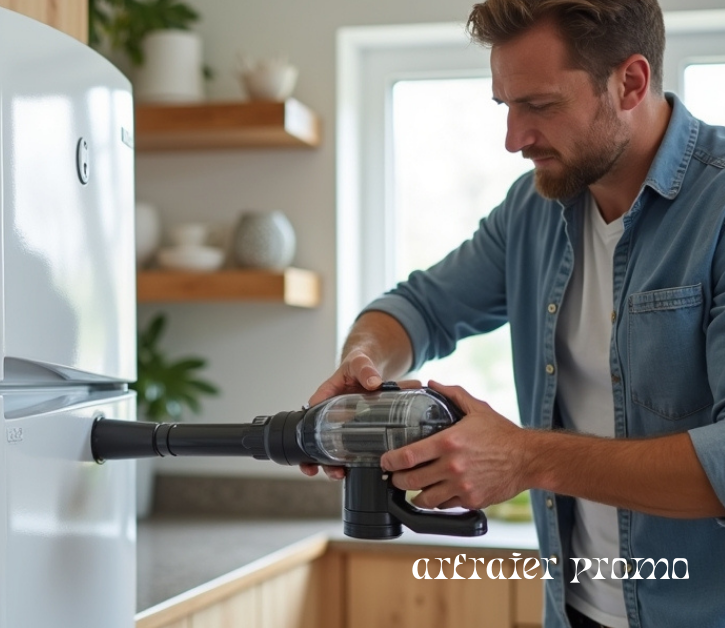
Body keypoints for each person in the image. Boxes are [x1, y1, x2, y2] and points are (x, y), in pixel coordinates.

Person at [302, 1, 725, 627]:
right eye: (506, 106)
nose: (513, 139)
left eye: (541, 106)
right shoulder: (532, 210)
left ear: (630, 82)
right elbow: (417, 307)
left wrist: (526, 457)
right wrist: (360, 363)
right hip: (573, 610)